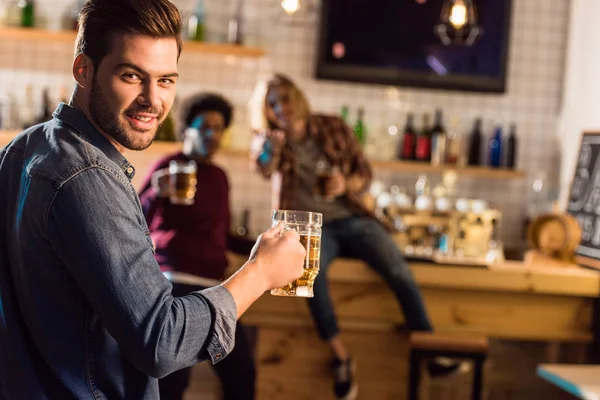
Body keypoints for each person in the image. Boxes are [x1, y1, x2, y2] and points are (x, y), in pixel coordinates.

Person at [0, 1, 305, 399]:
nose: (152, 100)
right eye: (132, 76)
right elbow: (162, 341)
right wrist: (261, 273)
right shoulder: (88, 177)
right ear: (84, 70)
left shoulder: (25, 147)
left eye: (166, 80)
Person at [251, 74, 464, 400]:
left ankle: (430, 352)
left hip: (351, 219)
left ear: (298, 97)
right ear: (266, 110)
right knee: (308, 276)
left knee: (397, 268)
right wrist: (270, 147)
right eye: (273, 103)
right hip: (310, 228)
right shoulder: (271, 140)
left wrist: (344, 184)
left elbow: (365, 174)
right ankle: (341, 359)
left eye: (285, 98)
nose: (282, 107)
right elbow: (264, 167)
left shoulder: (332, 127)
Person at [138, 93, 257, 400]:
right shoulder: (168, 166)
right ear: (187, 128)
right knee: (172, 384)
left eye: (218, 128)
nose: (212, 135)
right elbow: (132, 219)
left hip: (215, 290)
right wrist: (155, 192)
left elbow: (223, 236)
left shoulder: (220, 177)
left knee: (242, 375)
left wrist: (264, 245)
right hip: (172, 287)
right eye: (204, 126)